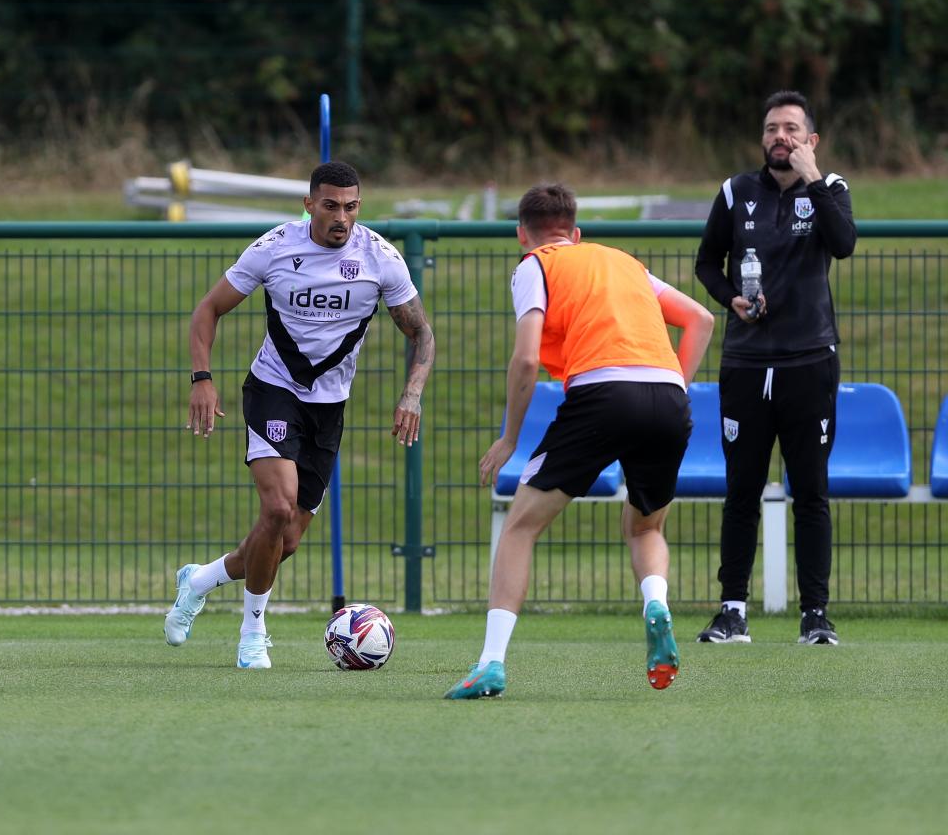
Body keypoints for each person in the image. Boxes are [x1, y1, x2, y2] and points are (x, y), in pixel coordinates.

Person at [445, 182, 713, 699]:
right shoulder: (624, 262)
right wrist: (674, 386)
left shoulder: (534, 266)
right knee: (645, 526)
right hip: (668, 397)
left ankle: (491, 663)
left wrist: (509, 438)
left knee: (520, 526)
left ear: (523, 235)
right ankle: (655, 604)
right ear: (577, 231)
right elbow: (700, 320)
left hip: (602, 395)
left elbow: (525, 360)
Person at [165, 160, 434, 669]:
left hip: (329, 409)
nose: (342, 217)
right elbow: (208, 310)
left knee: (282, 542)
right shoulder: (275, 248)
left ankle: (199, 580)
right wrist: (201, 379)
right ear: (308, 204)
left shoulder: (380, 258)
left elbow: (421, 333)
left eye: (351, 207)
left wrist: (411, 394)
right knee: (277, 511)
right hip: (274, 390)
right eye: (331, 205)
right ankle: (252, 632)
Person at [694, 90, 856, 646]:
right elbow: (705, 263)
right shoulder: (736, 192)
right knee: (742, 489)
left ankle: (815, 616)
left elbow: (844, 245)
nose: (779, 137)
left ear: (810, 141)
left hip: (810, 362)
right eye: (770, 129)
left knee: (810, 490)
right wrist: (730, 299)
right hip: (745, 362)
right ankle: (731, 610)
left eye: (790, 129)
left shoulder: (830, 190)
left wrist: (813, 178)